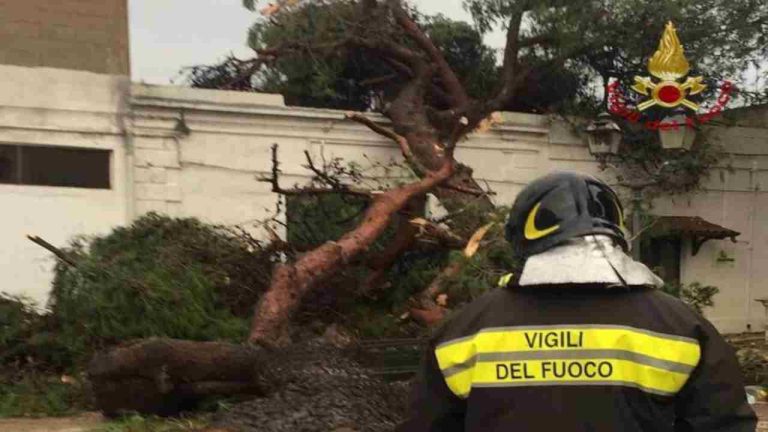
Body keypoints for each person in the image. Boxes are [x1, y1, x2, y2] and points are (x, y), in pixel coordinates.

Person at [397, 171, 756, 432]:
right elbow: (724, 424)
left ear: (523, 235)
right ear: (617, 231)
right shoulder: (680, 325)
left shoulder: (465, 330)